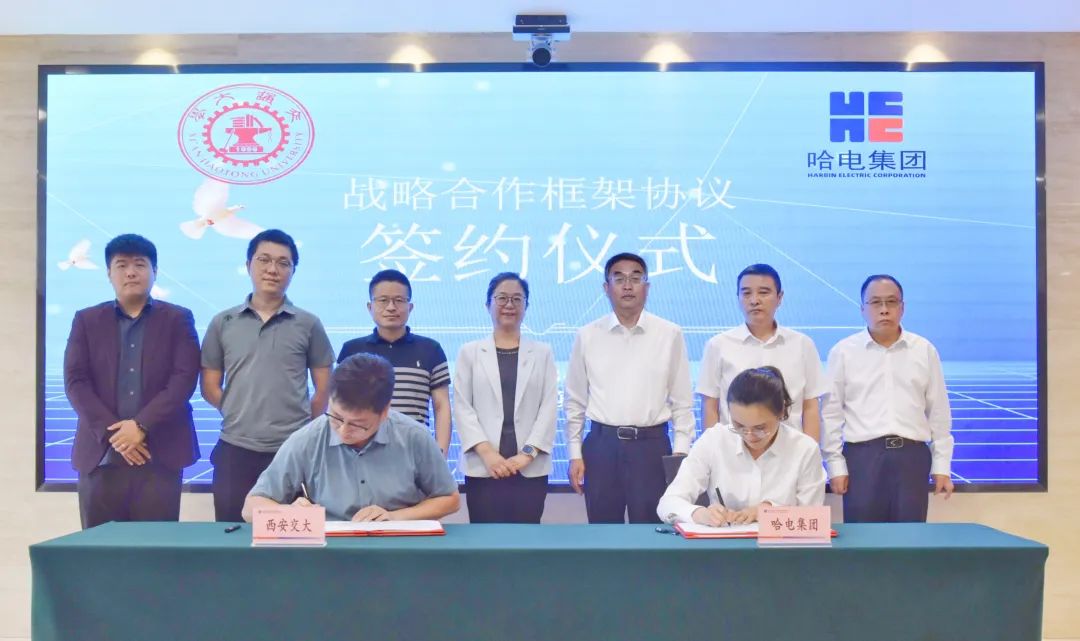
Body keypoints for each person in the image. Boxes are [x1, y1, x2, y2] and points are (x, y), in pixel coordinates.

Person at [64, 234, 200, 528]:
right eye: (121, 265)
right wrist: (116, 435)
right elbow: (76, 382)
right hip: (101, 456)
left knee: (155, 549)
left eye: (140, 264)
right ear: (109, 273)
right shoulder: (86, 320)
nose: (131, 272)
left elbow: (184, 379)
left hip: (159, 456)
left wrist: (140, 426)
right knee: (99, 549)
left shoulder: (178, 319)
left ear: (155, 271)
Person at [201, 229, 335, 523]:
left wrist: (301, 427)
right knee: (231, 531)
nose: (273, 269)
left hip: (293, 450)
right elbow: (209, 386)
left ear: (293, 271)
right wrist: (238, 410)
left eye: (283, 263)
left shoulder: (308, 323)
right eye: (264, 260)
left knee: (295, 532)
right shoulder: (223, 322)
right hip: (235, 448)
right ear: (248, 265)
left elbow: (324, 389)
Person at [242, 353, 460, 522]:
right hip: (329, 550)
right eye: (336, 417)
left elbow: (449, 499)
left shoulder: (414, 437)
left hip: (397, 546)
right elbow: (250, 507)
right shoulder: (308, 439)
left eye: (358, 424)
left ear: (384, 412)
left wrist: (395, 517)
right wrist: (288, 513)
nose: (343, 431)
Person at [564, 252, 695, 524]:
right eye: (619, 278)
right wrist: (575, 454)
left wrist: (681, 455)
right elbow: (575, 401)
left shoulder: (669, 334)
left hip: (651, 448)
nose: (627, 286)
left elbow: (682, 401)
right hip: (602, 446)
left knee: (651, 533)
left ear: (647, 287)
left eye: (636, 278)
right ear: (606, 287)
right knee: (602, 532)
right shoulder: (587, 335)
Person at [821, 274, 954, 523]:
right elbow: (831, 414)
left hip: (912, 458)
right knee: (863, 540)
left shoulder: (923, 350)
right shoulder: (843, 352)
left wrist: (941, 465)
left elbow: (938, 411)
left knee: (910, 539)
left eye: (891, 302)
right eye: (875, 302)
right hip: (863, 459)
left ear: (902, 308)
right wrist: (835, 465)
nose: (884, 310)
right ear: (862, 309)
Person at [658, 367, 826, 525]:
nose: (749, 435)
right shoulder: (714, 440)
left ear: (781, 411)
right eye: (739, 425)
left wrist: (770, 512)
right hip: (724, 543)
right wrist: (699, 514)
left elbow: (814, 519)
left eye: (760, 428)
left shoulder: (804, 449)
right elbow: (668, 503)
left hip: (782, 545)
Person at [453, 273, 558, 523]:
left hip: (530, 468)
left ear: (526, 306)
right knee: (484, 538)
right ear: (487, 304)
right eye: (501, 298)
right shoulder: (469, 352)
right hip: (483, 467)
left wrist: (526, 455)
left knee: (527, 537)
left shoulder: (542, 353)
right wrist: (488, 454)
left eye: (517, 299)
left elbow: (549, 407)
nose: (509, 305)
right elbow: (463, 408)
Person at [697, 264, 827, 440]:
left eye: (763, 292)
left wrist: (811, 452)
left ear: (779, 297)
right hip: (734, 449)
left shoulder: (802, 345)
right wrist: (713, 450)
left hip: (790, 449)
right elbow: (710, 407)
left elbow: (810, 407)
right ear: (738, 298)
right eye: (746, 293)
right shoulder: (718, 345)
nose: (754, 300)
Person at [337, 269, 451, 456]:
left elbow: (442, 406)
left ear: (410, 307)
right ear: (369, 307)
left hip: (415, 452)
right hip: (360, 453)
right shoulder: (352, 351)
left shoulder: (431, 350)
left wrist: (440, 454)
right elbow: (339, 406)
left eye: (399, 300)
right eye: (383, 300)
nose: (391, 307)